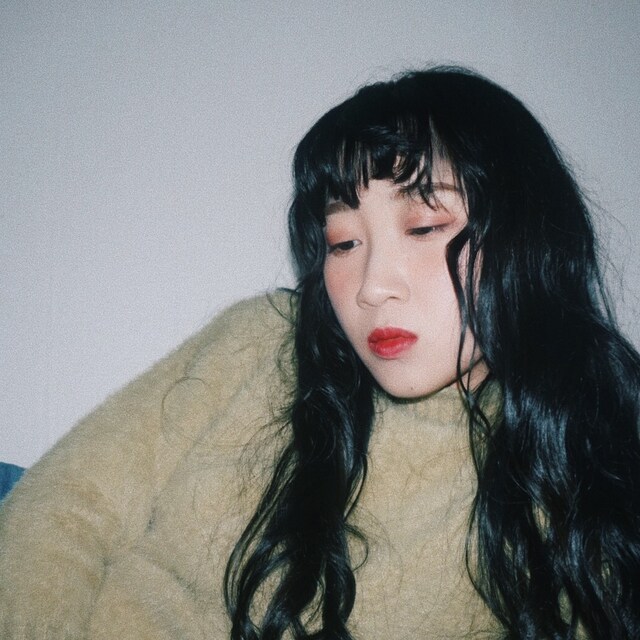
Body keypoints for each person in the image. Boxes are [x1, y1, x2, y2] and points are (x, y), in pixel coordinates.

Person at [1, 66, 639, 639]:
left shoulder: (583, 485)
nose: (371, 287)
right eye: (343, 242)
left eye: (423, 226)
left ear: (527, 239)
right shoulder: (261, 340)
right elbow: (65, 507)